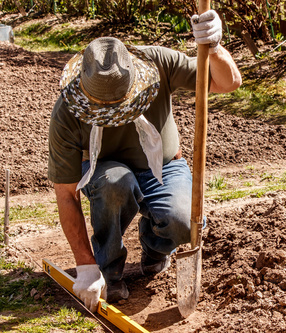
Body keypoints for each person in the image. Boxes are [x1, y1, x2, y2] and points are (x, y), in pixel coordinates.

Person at [48, 9, 242, 312]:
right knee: (116, 183)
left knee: (183, 220)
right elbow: (66, 194)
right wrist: (85, 266)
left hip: (164, 166)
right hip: (105, 171)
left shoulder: (158, 62)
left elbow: (227, 82)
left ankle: (154, 248)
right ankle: (107, 269)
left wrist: (215, 47)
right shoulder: (67, 112)